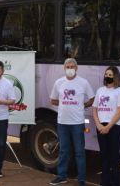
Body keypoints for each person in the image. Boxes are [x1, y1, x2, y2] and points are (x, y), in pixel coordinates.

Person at [50, 58, 95, 186]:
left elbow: (92, 99)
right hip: (62, 122)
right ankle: (61, 176)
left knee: (79, 152)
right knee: (63, 150)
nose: (70, 69)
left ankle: (81, 180)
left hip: (77, 122)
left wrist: (83, 105)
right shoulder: (59, 83)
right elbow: (52, 100)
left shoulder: (83, 83)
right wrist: (63, 103)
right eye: (67, 67)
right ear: (64, 68)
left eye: (72, 67)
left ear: (76, 68)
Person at [92, 66, 120, 186]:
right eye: (106, 74)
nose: (108, 77)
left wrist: (108, 126)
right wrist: (98, 124)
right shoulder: (100, 90)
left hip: (114, 127)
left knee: (114, 157)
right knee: (104, 156)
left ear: (115, 77)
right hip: (100, 127)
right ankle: (104, 182)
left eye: (110, 75)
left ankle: (115, 182)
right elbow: (94, 109)